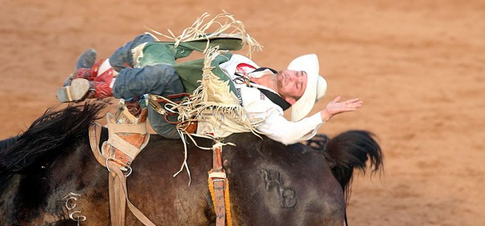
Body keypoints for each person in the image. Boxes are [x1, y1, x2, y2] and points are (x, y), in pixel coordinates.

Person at [57, 33, 362, 145]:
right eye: (299, 73)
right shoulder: (245, 63)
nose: (294, 77)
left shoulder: (265, 110)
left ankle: (95, 89)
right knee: (146, 41)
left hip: (176, 115)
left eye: (299, 84)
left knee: (162, 74)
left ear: (293, 98)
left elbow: (286, 134)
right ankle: (93, 73)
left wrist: (325, 115)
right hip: (175, 86)